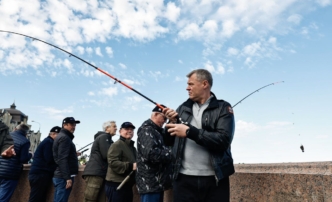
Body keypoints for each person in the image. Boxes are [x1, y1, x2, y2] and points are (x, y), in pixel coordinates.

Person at [163, 69, 235, 202]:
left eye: (191, 84)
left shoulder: (223, 107)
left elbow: (223, 140)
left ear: (204, 84)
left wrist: (190, 132)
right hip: (183, 180)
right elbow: (167, 141)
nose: (187, 88)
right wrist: (171, 122)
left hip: (215, 180)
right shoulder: (182, 108)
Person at [136, 105, 172, 202]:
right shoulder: (146, 129)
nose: (164, 121)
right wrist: (172, 154)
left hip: (157, 183)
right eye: (164, 118)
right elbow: (151, 154)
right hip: (150, 185)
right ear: (156, 114)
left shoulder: (158, 132)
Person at [82, 121, 117, 202]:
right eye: (114, 126)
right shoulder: (104, 137)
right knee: (90, 199)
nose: (116, 128)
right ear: (107, 128)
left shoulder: (106, 138)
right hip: (96, 174)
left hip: (99, 173)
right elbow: (107, 155)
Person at [105, 122, 137, 202]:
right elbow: (112, 162)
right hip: (117, 185)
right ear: (120, 131)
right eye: (126, 129)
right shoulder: (117, 145)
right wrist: (130, 166)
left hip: (127, 185)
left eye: (131, 129)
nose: (130, 131)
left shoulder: (132, 148)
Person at [0, 123, 33, 202]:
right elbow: (23, 159)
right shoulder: (25, 141)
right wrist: (30, 154)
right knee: (3, 197)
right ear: (26, 133)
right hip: (10, 173)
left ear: (15, 128)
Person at [28, 126, 61, 202]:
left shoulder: (48, 141)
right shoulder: (49, 143)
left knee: (39, 197)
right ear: (53, 134)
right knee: (36, 198)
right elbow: (49, 159)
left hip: (39, 174)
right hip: (40, 174)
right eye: (59, 135)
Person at [53, 117, 80, 202]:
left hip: (61, 176)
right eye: (72, 124)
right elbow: (62, 159)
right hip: (63, 177)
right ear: (65, 125)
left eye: (75, 125)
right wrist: (67, 178)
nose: (74, 127)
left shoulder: (62, 136)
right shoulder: (65, 138)